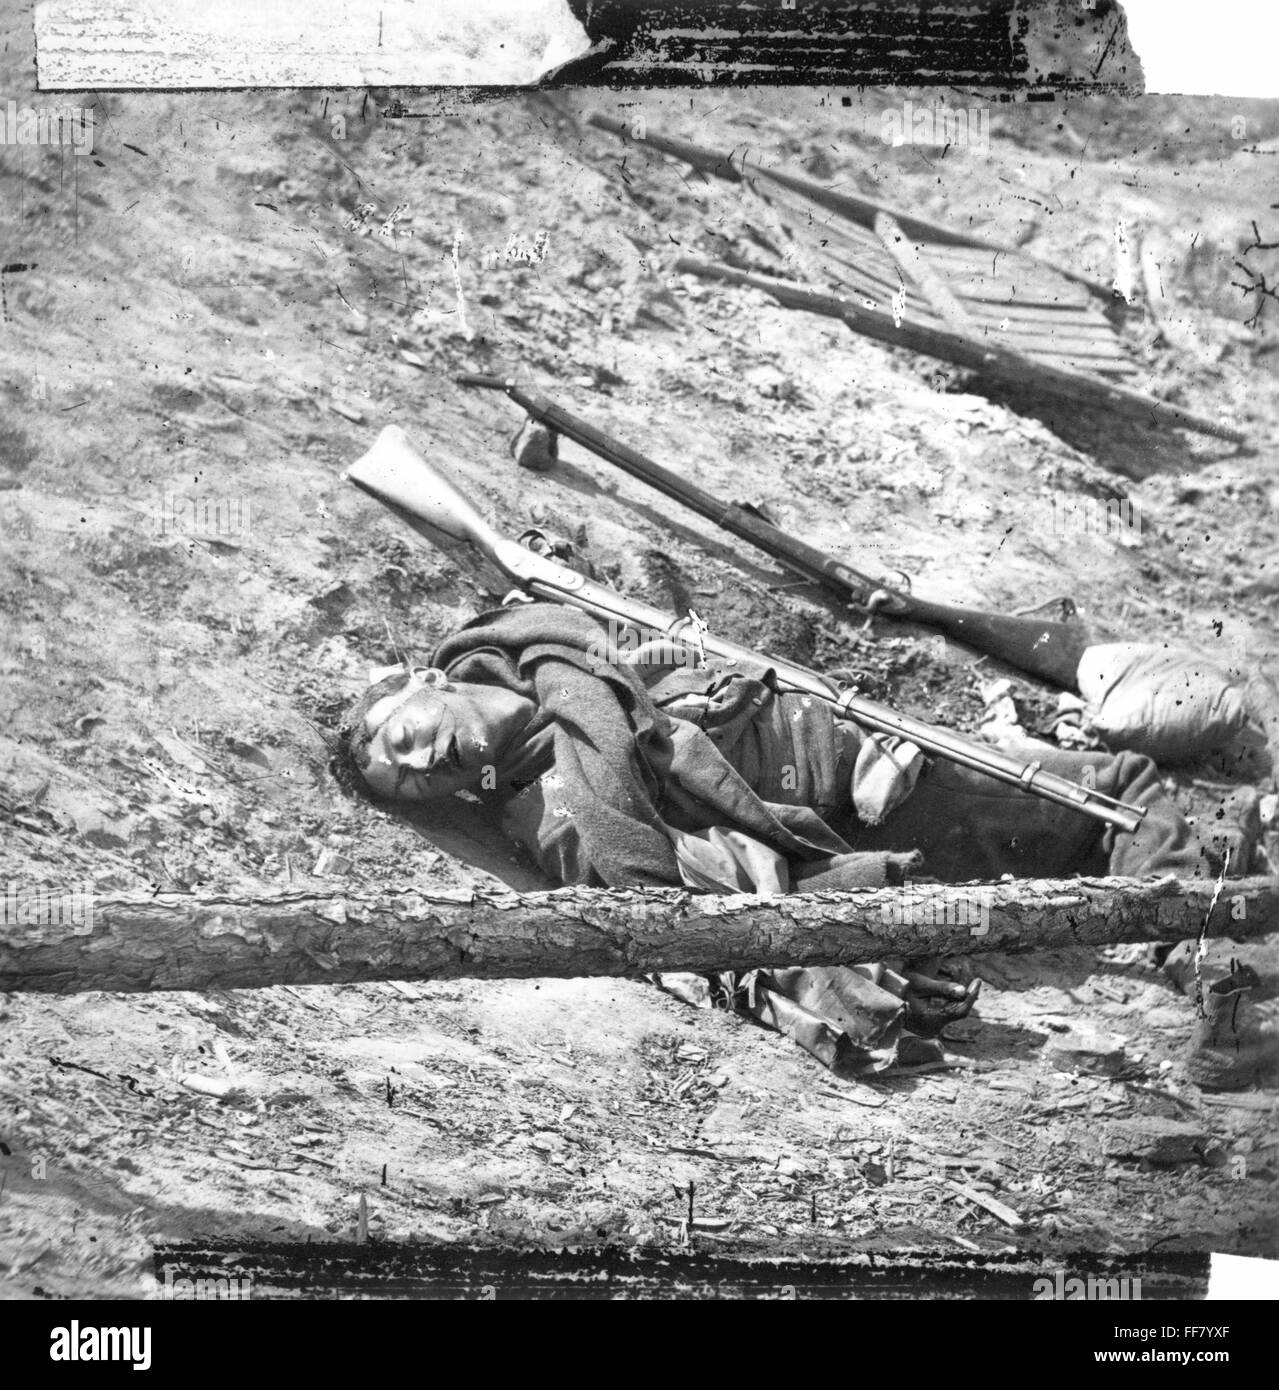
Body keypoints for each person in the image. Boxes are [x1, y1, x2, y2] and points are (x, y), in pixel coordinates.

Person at [337, 601, 1252, 1074]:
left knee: (1098, 793)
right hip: (860, 791)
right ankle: (1224, 986)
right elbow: (638, 879)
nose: (421, 764)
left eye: (401, 737)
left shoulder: (534, 641)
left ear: (422, 678)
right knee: (1117, 800)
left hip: (843, 725)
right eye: (410, 782)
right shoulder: (550, 801)